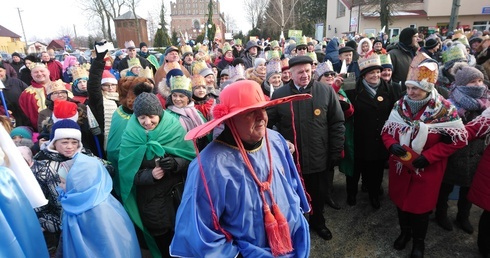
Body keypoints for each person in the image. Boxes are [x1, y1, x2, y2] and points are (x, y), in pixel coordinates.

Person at [170, 80, 311, 257]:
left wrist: (299, 216)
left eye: (263, 109)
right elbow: (199, 230)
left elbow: (291, 185)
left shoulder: (275, 139)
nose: (262, 117)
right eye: (251, 112)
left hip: (294, 243)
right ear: (230, 119)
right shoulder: (208, 166)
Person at [381, 55, 467, 258]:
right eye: (409, 88)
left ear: (428, 88)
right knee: (401, 204)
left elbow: (459, 139)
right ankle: (404, 233)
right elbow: (386, 131)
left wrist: (430, 156)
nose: (410, 93)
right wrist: (391, 145)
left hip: (427, 171)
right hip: (401, 168)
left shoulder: (445, 109)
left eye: (415, 89)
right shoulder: (400, 105)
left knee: (420, 210)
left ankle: (419, 243)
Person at [267, 55, 345, 240]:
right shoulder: (280, 95)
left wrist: (335, 150)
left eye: (308, 71)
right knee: (291, 196)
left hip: (319, 156)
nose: (305, 75)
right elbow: (266, 124)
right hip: (290, 161)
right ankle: (295, 227)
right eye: (300, 72)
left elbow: (337, 122)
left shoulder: (325, 91)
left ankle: (319, 222)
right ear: (290, 73)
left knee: (318, 195)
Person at [118, 92, 195, 257]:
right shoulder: (130, 136)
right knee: (164, 246)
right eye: (142, 118)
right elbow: (126, 174)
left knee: (184, 241)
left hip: (178, 199)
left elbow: (191, 161)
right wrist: (149, 175)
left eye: (151, 116)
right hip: (152, 205)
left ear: (159, 114)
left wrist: (175, 163)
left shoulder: (173, 129)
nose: (147, 122)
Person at [51, 119, 141, 257]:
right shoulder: (44, 165)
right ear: (54, 143)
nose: (69, 146)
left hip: (85, 211)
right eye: (64, 142)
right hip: (60, 220)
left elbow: (107, 168)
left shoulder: (87, 158)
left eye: (74, 142)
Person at [435, 64, 489, 234]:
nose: (479, 85)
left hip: (477, 155)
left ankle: (463, 216)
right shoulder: (449, 105)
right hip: (453, 155)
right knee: (445, 187)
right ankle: (441, 214)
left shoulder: (486, 104)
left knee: (469, 188)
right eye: (474, 81)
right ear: (462, 83)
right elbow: (440, 132)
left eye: (480, 80)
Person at [344, 53, 402, 209]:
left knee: (375, 171)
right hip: (358, 137)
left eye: (377, 72)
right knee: (355, 170)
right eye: (371, 72)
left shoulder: (389, 89)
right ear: (363, 75)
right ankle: (351, 193)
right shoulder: (353, 89)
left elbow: (394, 112)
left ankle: (374, 195)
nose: (376, 75)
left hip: (379, 139)